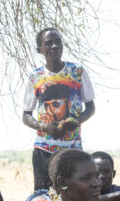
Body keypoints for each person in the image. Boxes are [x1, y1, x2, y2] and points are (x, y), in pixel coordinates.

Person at [22, 28, 95, 190]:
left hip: (73, 147)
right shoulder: (35, 76)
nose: (54, 46)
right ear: (39, 50)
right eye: (48, 43)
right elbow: (26, 115)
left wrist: (76, 121)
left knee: (76, 194)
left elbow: (90, 107)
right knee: (43, 195)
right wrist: (43, 127)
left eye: (58, 42)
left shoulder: (77, 72)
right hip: (44, 148)